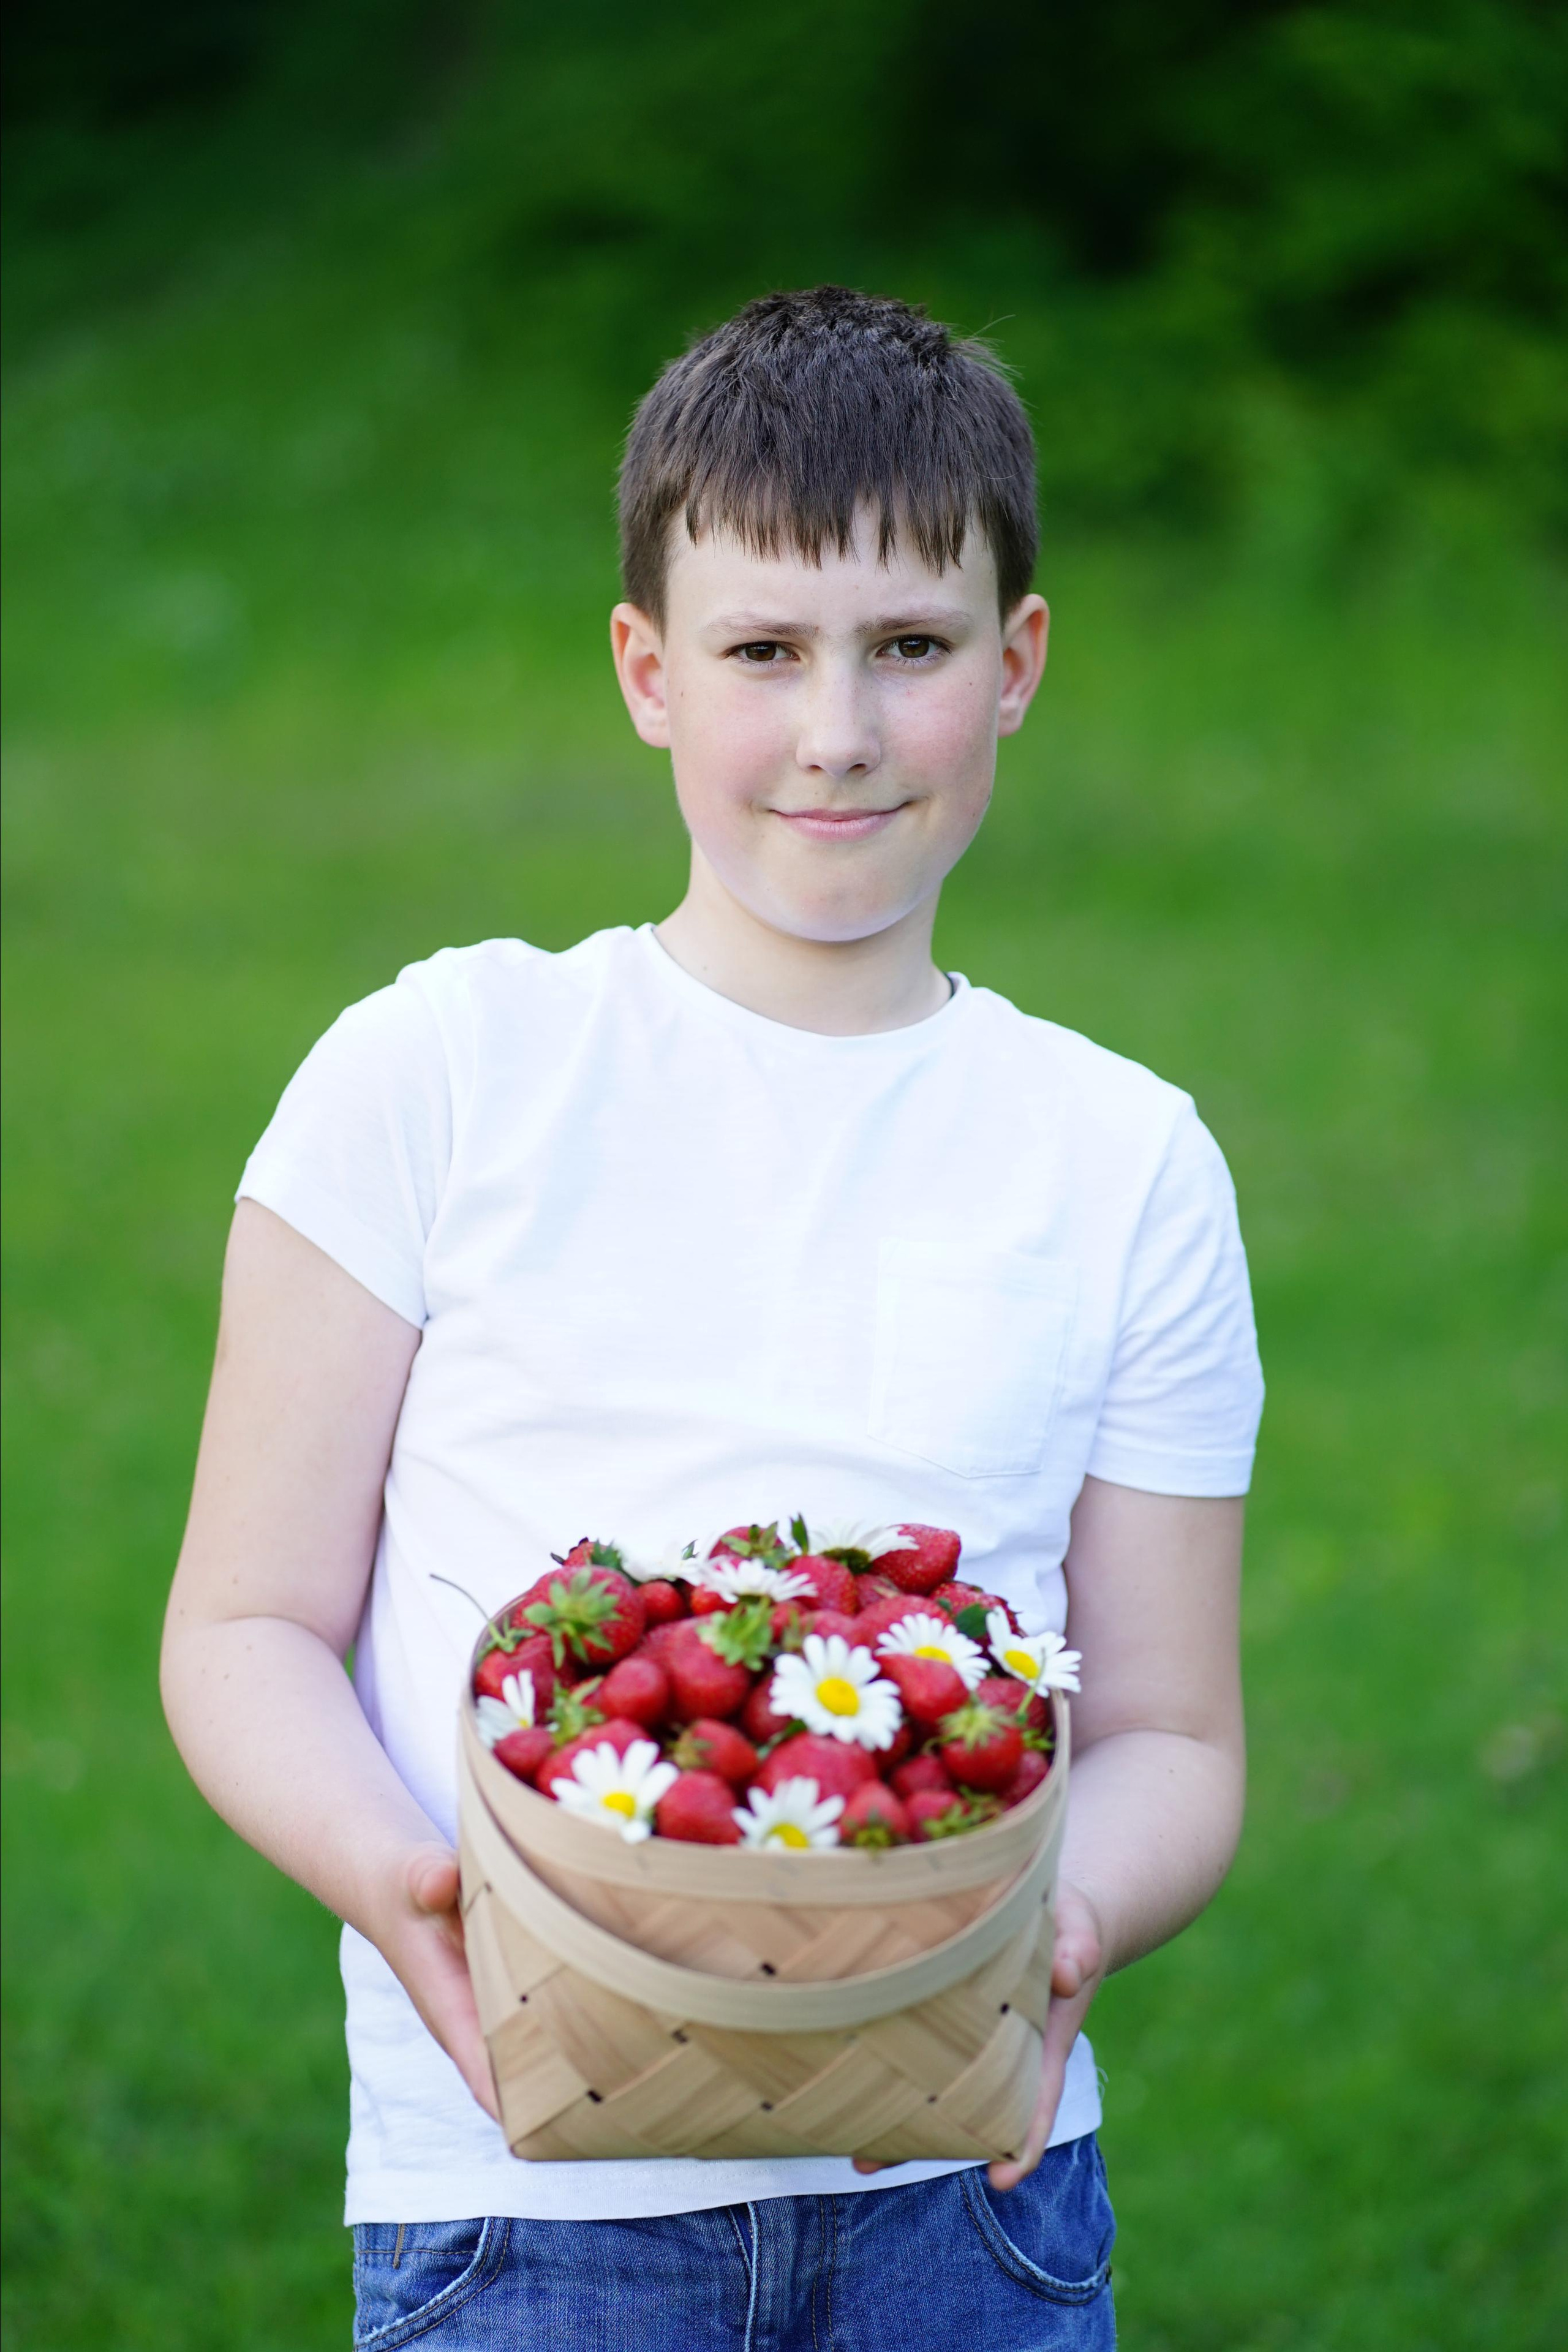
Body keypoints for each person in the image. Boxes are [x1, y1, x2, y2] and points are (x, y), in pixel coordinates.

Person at [162, 284, 1263, 2350]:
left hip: (973, 2203)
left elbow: (1175, 1731)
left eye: (908, 650)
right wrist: (411, 1886)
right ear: (647, 672)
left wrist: (1066, 1914)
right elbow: (241, 1624)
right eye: (763, 651)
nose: (837, 730)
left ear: (1014, 667)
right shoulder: (441, 1074)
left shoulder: (1124, 1161)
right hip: (524, 2198)